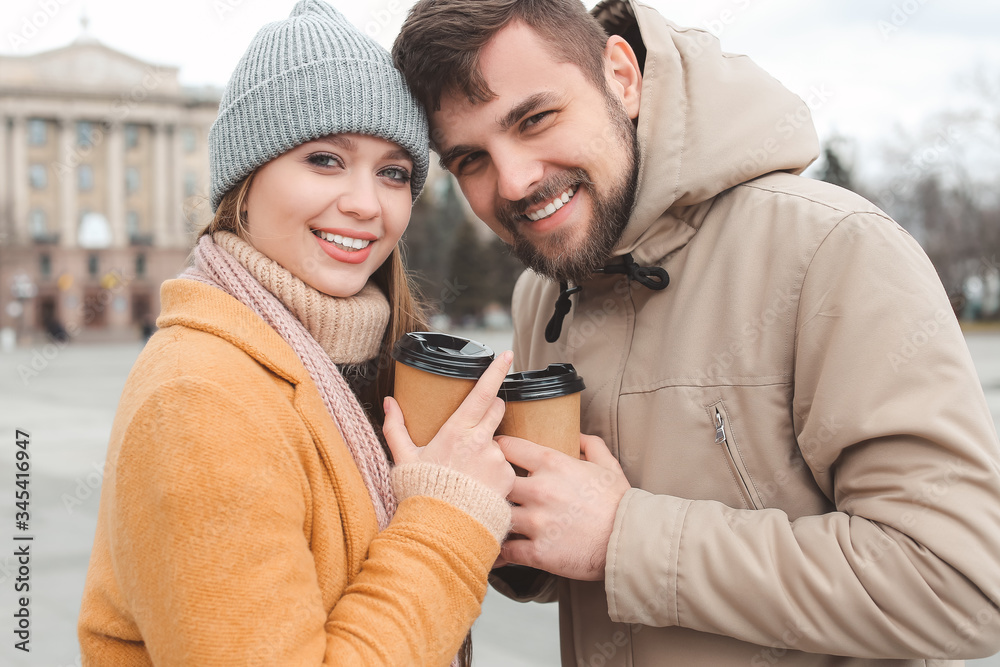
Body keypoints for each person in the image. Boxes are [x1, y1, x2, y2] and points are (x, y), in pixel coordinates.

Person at [392, 0, 1000, 665]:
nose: (514, 180)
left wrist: (625, 538)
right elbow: (577, 537)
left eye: (535, 118)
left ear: (621, 78)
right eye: (471, 159)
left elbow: (964, 583)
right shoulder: (545, 289)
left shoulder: (831, 249)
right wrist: (489, 513)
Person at [77, 2, 515, 665]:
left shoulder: (364, 362)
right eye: (324, 159)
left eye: (394, 171)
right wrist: (449, 518)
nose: (367, 203)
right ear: (243, 186)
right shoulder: (201, 402)